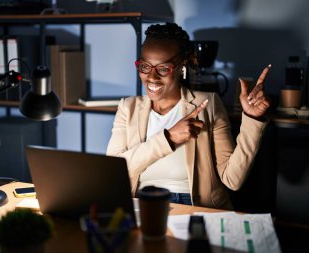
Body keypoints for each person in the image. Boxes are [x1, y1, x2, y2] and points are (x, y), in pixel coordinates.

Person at [106, 23, 271, 210]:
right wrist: (168, 138)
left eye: (163, 69)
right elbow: (113, 172)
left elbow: (233, 180)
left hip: (196, 206)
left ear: (181, 67)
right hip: (142, 203)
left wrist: (251, 119)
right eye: (144, 66)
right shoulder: (128, 107)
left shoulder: (208, 104)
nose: (151, 77)